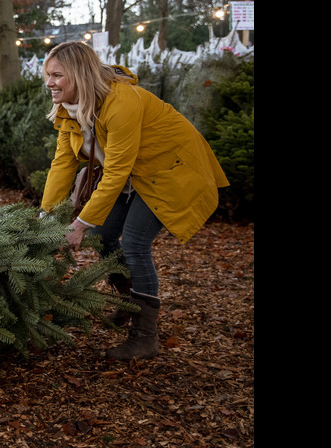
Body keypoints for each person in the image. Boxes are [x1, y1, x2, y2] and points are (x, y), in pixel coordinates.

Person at [39, 42, 228, 361]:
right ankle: (129, 304)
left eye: (57, 75)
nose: (49, 82)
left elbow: (115, 170)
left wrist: (79, 223)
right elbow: (63, 163)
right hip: (133, 177)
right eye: (47, 74)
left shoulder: (121, 102)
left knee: (135, 244)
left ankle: (145, 336)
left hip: (170, 172)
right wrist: (45, 217)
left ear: (79, 74)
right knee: (101, 239)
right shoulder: (68, 107)